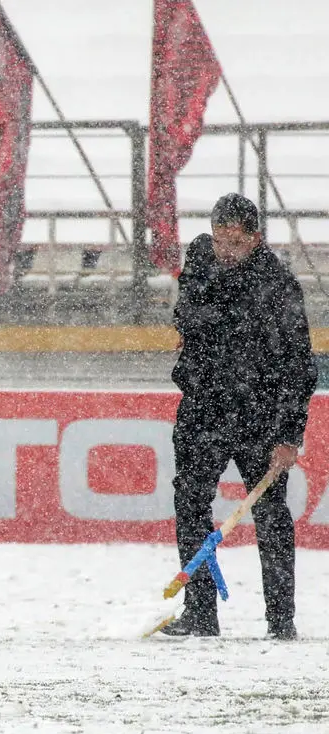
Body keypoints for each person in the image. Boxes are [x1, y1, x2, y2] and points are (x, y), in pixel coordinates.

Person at [164, 193, 317, 639]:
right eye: (219, 237)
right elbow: (186, 313)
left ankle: (281, 620)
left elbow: (298, 365)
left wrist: (289, 434)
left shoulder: (278, 283)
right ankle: (199, 613)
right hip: (203, 409)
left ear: (255, 239)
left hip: (259, 416)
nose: (225, 247)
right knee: (190, 504)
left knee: (270, 515)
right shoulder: (199, 255)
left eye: (236, 238)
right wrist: (211, 324)